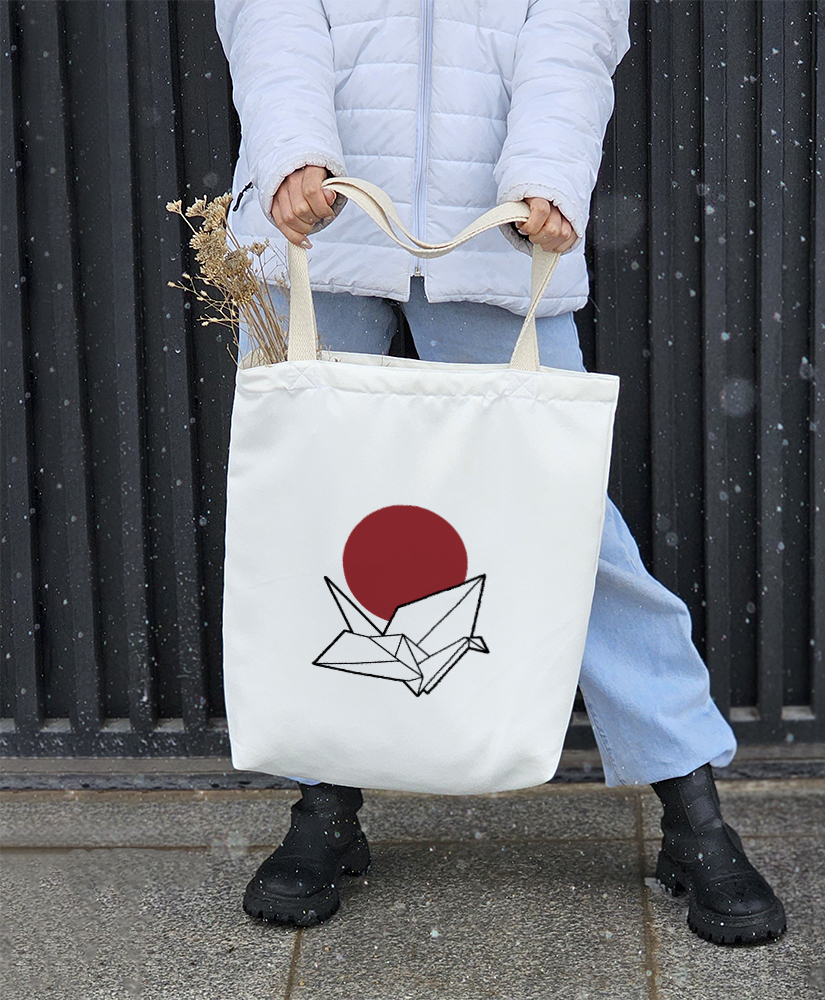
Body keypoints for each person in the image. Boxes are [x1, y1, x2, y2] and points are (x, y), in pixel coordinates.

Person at [215, 0, 786, 946]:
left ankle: (693, 812)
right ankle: (323, 803)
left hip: (496, 233)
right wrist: (291, 153)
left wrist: (548, 174)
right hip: (315, 228)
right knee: (312, 526)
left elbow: (573, 27)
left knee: (569, 529)